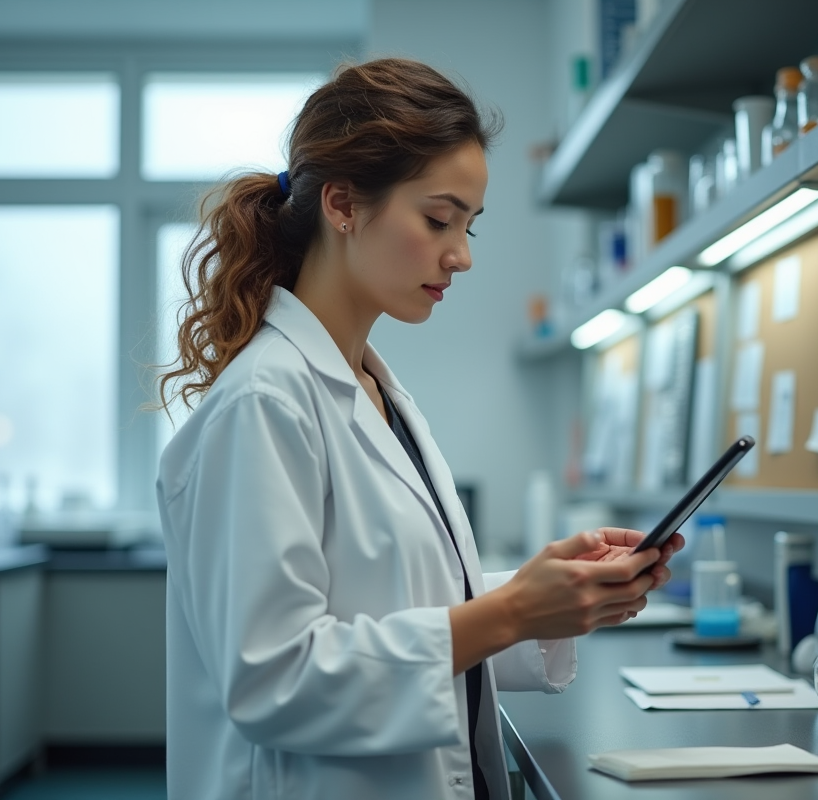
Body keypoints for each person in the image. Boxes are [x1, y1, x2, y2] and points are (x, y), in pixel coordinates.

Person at [155, 57, 681, 800]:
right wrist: (513, 609)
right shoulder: (264, 404)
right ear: (342, 204)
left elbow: (397, 608)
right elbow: (274, 679)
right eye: (438, 219)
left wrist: (552, 593)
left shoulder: (373, 387)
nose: (460, 254)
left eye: (468, 225)